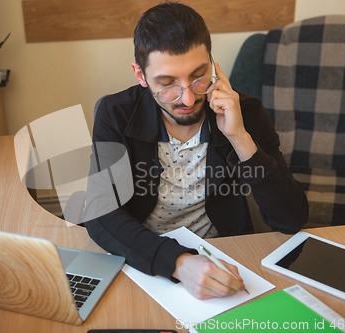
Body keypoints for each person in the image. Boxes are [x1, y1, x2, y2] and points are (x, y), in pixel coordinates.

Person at [84, 1, 308, 300]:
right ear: (140, 75)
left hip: (225, 255)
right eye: (167, 84)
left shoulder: (247, 113)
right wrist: (179, 262)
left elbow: (291, 219)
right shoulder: (116, 114)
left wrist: (239, 136)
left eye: (199, 76)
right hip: (142, 252)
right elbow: (100, 213)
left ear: (213, 66)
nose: (188, 98)